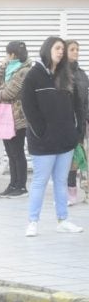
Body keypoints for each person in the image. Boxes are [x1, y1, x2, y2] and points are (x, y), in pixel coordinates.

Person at [21, 36, 84, 237]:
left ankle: (63, 219)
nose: (61, 52)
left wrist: (76, 133)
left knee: (61, 180)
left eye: (62, 50)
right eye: (57, 48)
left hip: (65, 140)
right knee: (40, 180)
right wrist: (41, 132)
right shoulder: (33, 75)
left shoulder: (67, 76)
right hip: (43, 141)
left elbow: (77, 107)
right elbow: (29, 108)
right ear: (48, 49)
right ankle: (33, 221)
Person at [0, 41, 33, 198]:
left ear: (13, 55)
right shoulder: (9, 68)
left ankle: (21, 186)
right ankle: (13, 183)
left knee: (17, 152)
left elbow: (8, 93)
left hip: (18, 117)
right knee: (10, 152)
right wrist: (2, 67)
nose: (6, 57)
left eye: (7, 54)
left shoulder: (25, 71)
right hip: (5, 115)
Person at [65, 40, 88, 205]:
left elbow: (86, 100)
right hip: (64, 122)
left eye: (77, 49)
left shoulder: (81, 74)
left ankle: (80, 190)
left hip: (80, 122)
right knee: (65, 159)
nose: (76, 52)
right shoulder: (58, 73)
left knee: (78, 157)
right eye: (72, 49)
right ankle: (68, 190)